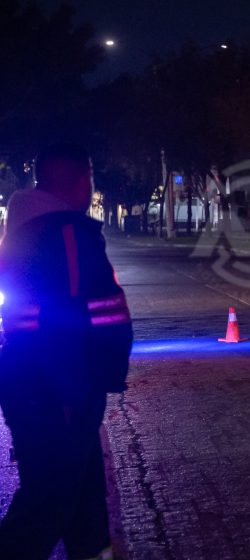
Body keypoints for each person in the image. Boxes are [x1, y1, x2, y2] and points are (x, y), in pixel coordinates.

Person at [0, 144, 133, 560]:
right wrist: (87, 385)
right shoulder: (68, 234)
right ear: (78, 181)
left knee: (84, 489)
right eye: (89, 176)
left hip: (35, 379)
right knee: (50, 495)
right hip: (60, 387)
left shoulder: (24, 231)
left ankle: (94, 551)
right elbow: (92, 315)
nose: (91, 185)